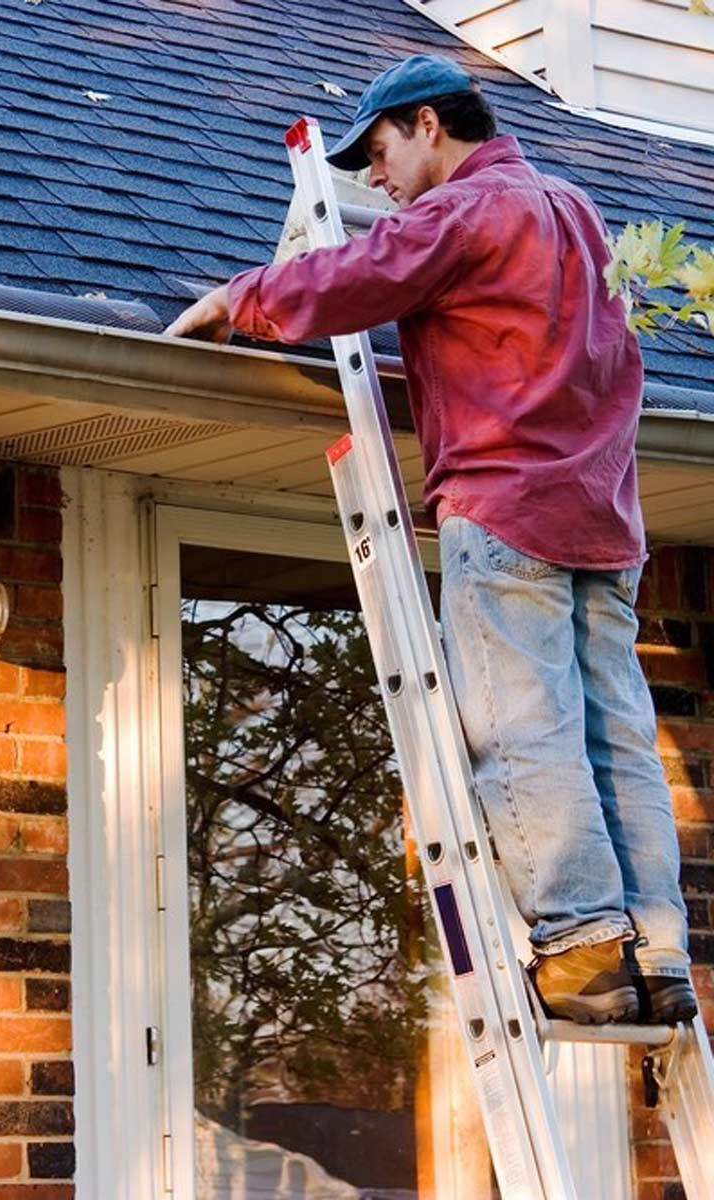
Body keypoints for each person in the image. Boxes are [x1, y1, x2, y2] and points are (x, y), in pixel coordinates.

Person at [165, 54, 696, 1025]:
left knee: (522, 729)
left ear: (425, 126)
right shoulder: (575, 212)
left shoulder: (468, 210)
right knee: (615, 736)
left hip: (510, 517)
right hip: (602, 522)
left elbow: (365, 274)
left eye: (376, 152)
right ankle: (656, 951)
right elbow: (598, 371)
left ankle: (580, 948)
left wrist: (243, 298)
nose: (373, 181)